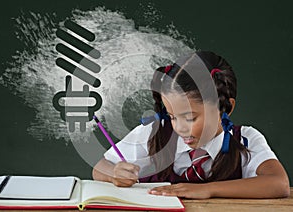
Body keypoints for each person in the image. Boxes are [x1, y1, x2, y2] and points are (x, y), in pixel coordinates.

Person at [92, 51, 290, 199]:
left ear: (226, 108)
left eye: (190, 118)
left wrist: (207, 190)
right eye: (172, 116)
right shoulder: (154, 133)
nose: (180, 128)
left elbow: (279, 184)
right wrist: (113, 174)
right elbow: (100, 168)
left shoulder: (245, 139)